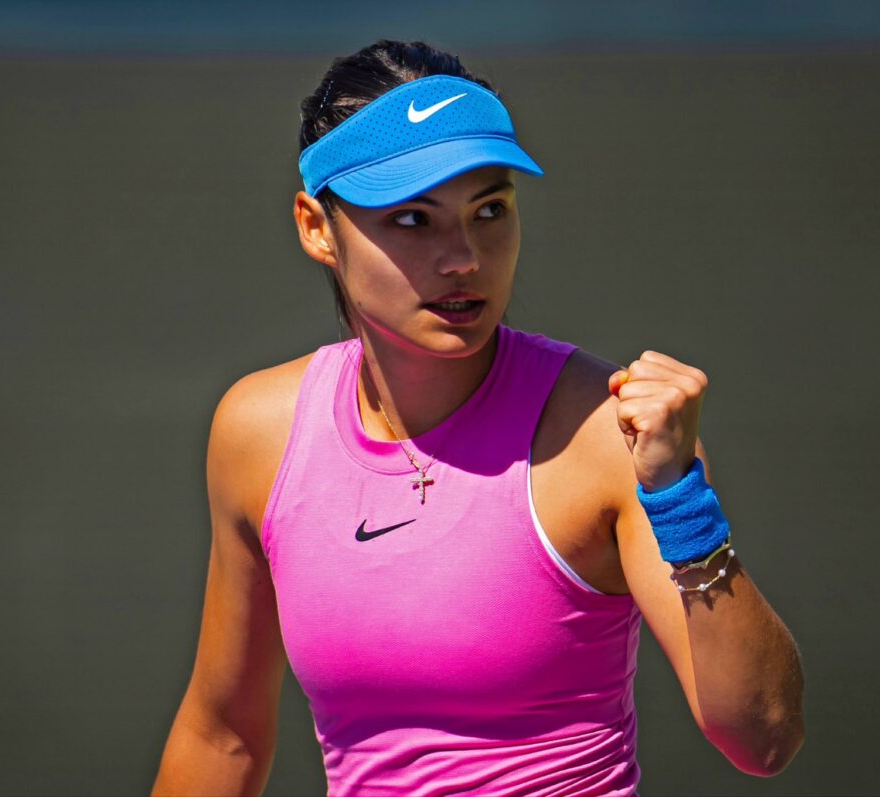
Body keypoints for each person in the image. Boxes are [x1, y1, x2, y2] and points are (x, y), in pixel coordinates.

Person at [152, 40, 805, 797]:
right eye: (412, 218)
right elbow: (224, 737)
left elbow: (764, 734)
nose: (463, 257)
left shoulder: (608, 433)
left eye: (489, 210)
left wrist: (680, 499)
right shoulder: (258, 431)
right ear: (316, 226)